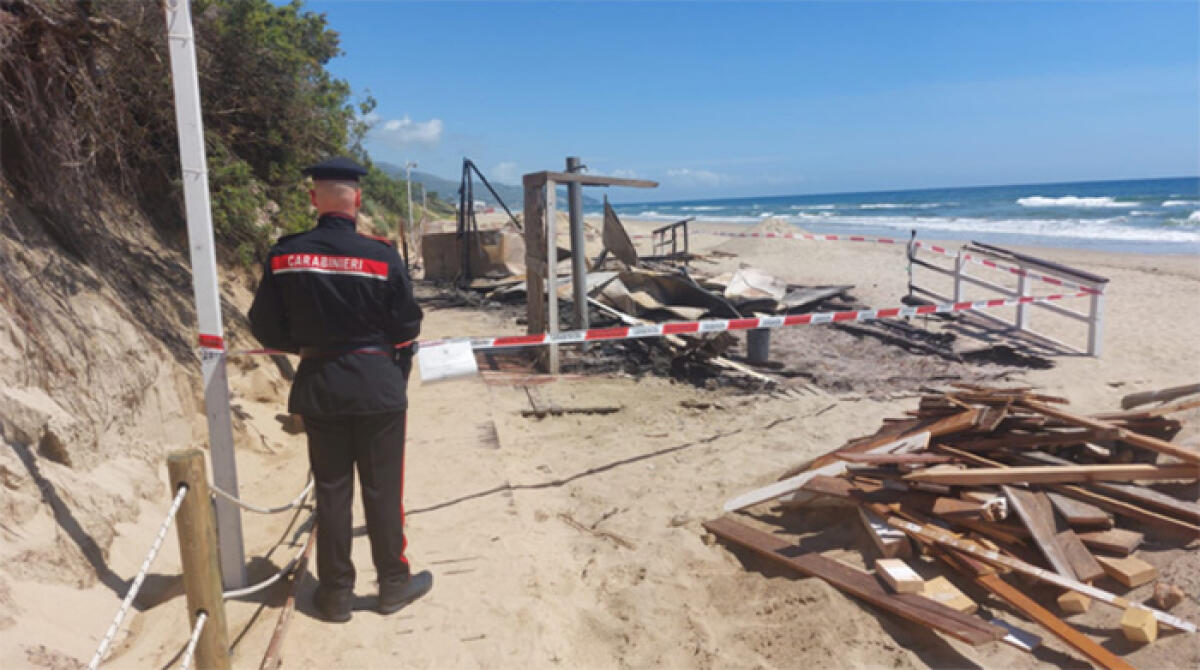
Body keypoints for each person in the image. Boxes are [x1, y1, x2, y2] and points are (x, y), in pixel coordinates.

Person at [248, 156, 431, 623]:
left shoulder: (285, 255)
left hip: (320, 386)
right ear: (359, 200)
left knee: (331, 493)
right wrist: (390, 363)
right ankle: (392, 584)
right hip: (378, 387)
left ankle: (335, 595)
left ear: (313, 198)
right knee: (383, 491)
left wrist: (309, 346)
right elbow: (407, 325)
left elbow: (265, 326)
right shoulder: (383, 256)